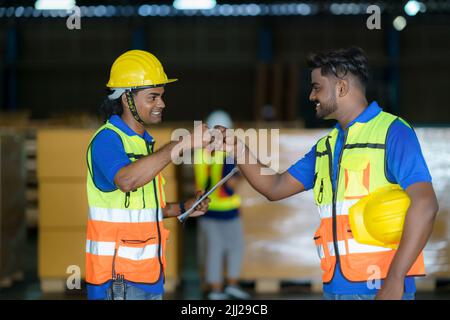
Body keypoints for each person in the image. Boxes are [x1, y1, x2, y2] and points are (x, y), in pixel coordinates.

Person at [216, 47, 439, 300]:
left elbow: (425, 205)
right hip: (335, 286)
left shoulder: (393, 132)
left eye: (316, 87)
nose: (311, 96)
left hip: (380, 289)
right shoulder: (326, 147)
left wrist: (395, 279)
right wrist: (237, 148)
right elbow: (275, 187)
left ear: (341, 88)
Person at [85, 49, 211, 300]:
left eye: (162, 96)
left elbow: (138, 211)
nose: (161, 104)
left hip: (148, 276)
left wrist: (181, 207)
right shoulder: (106, 140)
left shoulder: (144, 145)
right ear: (126, 99)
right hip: (117, 280)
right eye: (153, 97)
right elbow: (126, 181)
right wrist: (181, 144)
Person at [194, 110, 250, 300]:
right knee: (235, 248)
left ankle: (216, 290)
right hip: (228, 209)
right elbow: (230, 186)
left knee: (214, 251)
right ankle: (230, 286)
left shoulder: (200, 153)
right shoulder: (228, 153)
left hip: (206, 209)